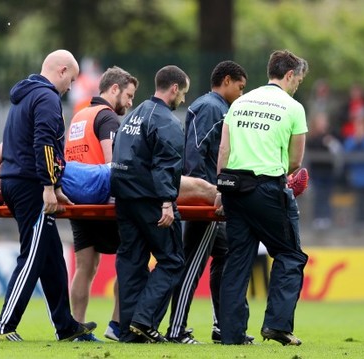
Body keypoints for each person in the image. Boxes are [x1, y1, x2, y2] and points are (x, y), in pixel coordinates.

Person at [0, 49, 97, 341]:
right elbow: (45, 144)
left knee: (51, 255)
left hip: (16, 182)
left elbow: (15, 143)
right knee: (32, 256)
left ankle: (66, 326)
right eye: (72, 79)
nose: (71, 87)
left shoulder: (24, 96)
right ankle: (4, 326)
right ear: (62, 71)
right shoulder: (47, 97)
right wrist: (50, 187)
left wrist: (57, 187)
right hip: (32, 185)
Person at [216, 49, 309, 346]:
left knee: (238, 261)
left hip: (232, 188)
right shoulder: (293, 107)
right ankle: (277, 325)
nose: (298, 86)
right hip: (267, 188)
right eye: (299, 80)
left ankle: (231, 335)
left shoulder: (240, 102)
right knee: (290, 255)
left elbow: (223, 152)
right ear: (290, 74)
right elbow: (296, 161)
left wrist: (221, 189)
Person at [166, 60, 248, 344]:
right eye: (240, 86)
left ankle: (221, 326)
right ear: (226, 80)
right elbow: (197, 153)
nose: (241, 92)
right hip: (207, 199)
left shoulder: (216, 107)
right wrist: (208, 193)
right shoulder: (212, 108)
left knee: (224, 258)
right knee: (192, 264)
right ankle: (176, 330)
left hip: (211, 195)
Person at [110, 65, 190, 343]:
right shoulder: (166, 120)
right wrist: (167, 202)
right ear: (174, 88)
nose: (182, 100)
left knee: (131, 262)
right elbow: (166, 163)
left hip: (123, 197)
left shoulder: (134, 114)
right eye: (183, 94)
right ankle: (144, 320)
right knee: (172, 260)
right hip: (151, 201)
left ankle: (129, 333)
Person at [64, 66, 139, 342]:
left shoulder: (79, 116)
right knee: (130, 260)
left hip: (77, 201)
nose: (130, 103)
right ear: (114, 89)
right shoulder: (107, 117)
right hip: (104, 204)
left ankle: (76, 326)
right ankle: (117, 324)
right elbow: (113, 165)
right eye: (129, 96)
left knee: (85, 267)